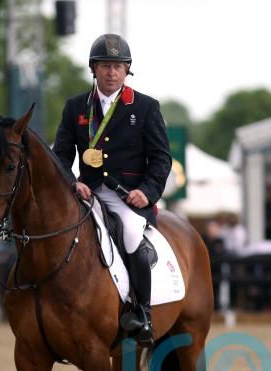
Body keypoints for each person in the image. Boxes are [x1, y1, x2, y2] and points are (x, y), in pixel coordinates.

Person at [53, 34, 172, 346]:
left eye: (118, 66)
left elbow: (161, 158)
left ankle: (143, 312)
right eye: (105, 65)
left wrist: (147, 191)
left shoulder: (145, 107)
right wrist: (72, 182)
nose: (112, 72)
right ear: (94, 69)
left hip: (127, 197)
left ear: (126, 70)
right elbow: (60, 156)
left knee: (131, 233)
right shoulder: (76, 107)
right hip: (87, 192)